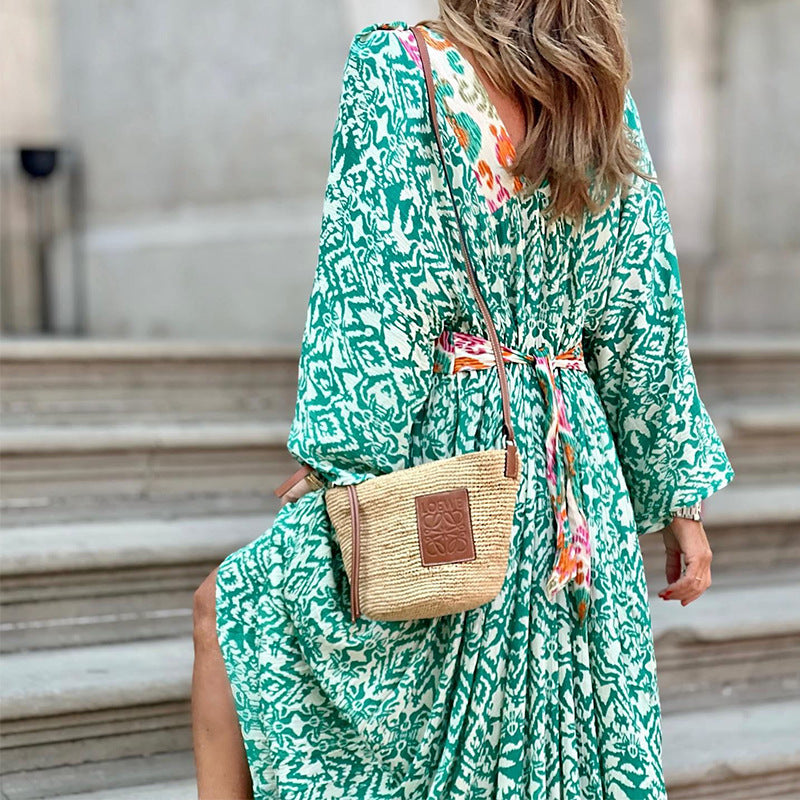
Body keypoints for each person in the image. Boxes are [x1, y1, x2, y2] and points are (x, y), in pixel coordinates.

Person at [191, 4, 735, 798]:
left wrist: (342, 455)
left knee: (229, 611)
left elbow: (378, 281)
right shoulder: (598, 95)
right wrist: (678, 499)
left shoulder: (403, 68)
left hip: (459, 474)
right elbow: (640, 311)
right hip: (580, 493)